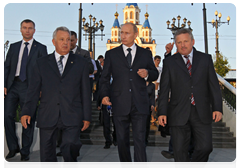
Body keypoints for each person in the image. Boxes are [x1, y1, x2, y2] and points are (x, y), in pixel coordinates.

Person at [21, 26, 91, 168]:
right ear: (53, 41)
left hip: (72, 113)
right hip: (48, 113)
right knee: (47, 152)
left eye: (68, 40)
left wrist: (87, 116)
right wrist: (27, 111)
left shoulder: (81, 63)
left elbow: (85, 90)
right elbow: (33, 90)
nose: (66, 43)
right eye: (61, 39)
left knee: (71, 144)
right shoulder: (41, 63)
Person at [158, 28, 222, 168]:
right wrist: (162, 112)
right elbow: (164, 90)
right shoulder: (170, 63)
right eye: (179, 42)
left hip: (201, 111)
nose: (183, 45)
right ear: (176, 44)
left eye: (186, 41)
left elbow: (214, 86)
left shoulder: (205, 59)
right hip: (178, 111)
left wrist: (217, 107)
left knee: (205, 147)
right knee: (180, 151)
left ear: (192, 41)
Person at [100, 22, 159, 168]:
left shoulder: (145, 53)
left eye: (127, 33)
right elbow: (105, 78)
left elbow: (155, 73)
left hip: (140, 104)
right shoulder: (111, 54)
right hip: (119, 103)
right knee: (121, 140)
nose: (123, 36)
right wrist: (104, 95)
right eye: (121, 33)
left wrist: (147, 74)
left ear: (135, 34)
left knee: (140, 141)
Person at [4, 19, 48, 161]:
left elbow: (44, 71)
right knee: (7, 116)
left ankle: (25, 151)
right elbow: (6, 67)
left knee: (28, 120)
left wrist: (41, 89)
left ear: (34, 30)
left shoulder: (41, 48)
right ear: (21, 29)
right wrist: (4, 84)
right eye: (24, 27)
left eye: (30, 28)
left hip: (30, 88)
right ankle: (12, 147)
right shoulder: (13, 47)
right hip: (13, 86)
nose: (27, 30)